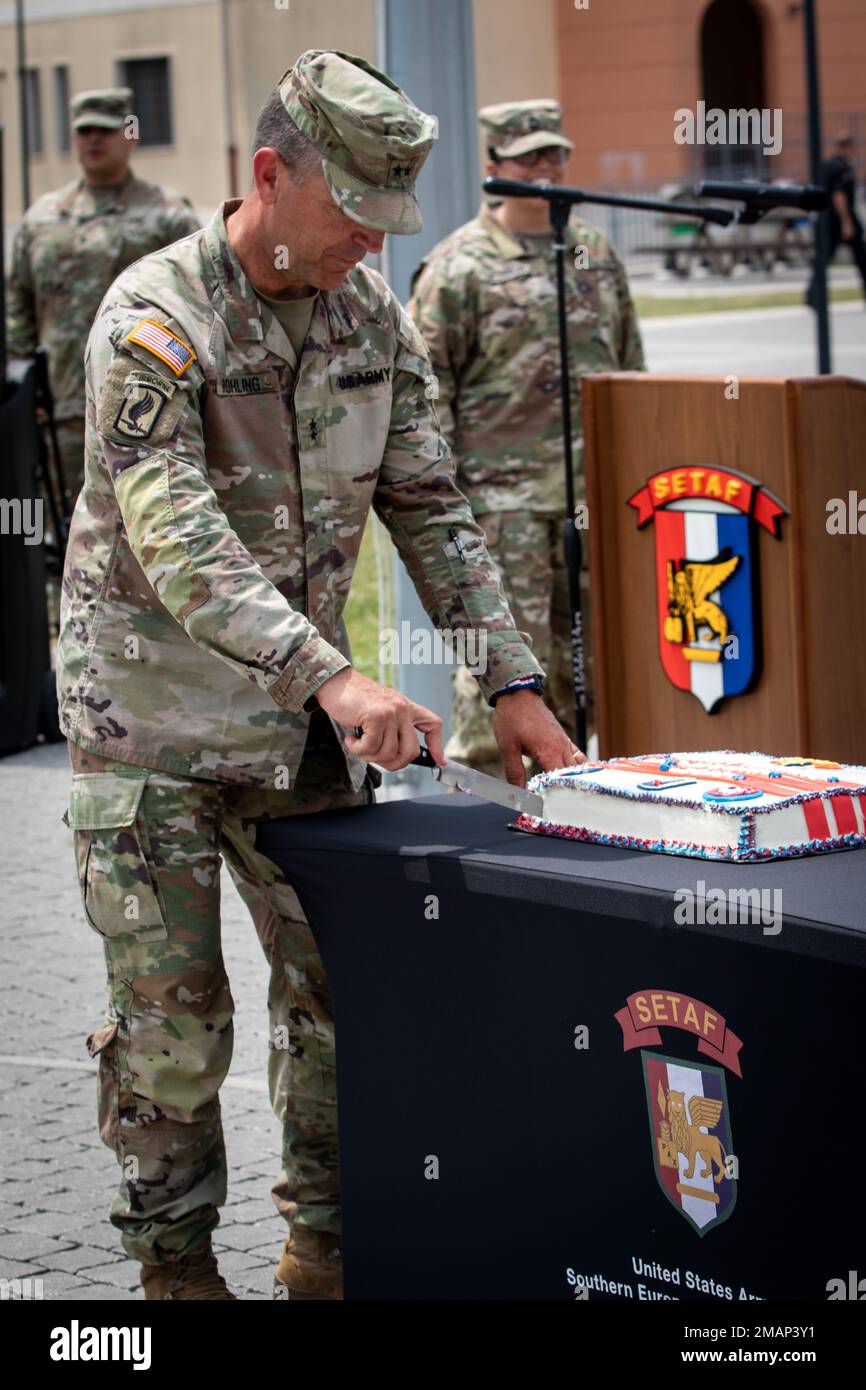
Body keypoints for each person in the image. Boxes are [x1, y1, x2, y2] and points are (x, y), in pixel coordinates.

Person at [58, 51, 582, 1301]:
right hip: (154, 733)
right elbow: (174, 533)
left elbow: (435, 513)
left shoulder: (369, 317)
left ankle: (326, 1256)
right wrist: (332, 676)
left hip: (298, 740)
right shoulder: (152, 316)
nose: (371, 244)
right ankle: (175, 1278)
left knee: (345, 1012)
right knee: (174, 1040)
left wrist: (509, 680)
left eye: (388, 222)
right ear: (265, 177)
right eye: (351, 216)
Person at [411, 100, 645, 776]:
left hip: (593, 503)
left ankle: (587, 813)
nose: (547, 169)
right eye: (529, 158)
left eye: (555, 154)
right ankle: (494, 826)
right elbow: (428, 400)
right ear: (494, 168)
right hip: (501, 513)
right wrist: (451, 510)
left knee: (593, 675)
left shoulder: (594, 253)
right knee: (508, 680)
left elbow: (630, 369)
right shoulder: (458, 268)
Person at [6, 87, 200, 505]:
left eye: (107, 131)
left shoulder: (166, 216)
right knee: (42, 525)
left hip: (140, 407)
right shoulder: (42, 218)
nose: (94, 140)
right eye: (85, 131)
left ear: (130, 135)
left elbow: (197, 305)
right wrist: (21, 387)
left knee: (137, 517)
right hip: (56, 409)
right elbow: (17, 302)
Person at [806, 131, 866, 308]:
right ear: (846, 147)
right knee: (862, 258)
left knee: (823, 259)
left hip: (827, 220)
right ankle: (812, 296)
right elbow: (839, 196)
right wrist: (846, 222)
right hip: (840, 219)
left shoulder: (827, 165)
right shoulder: (841, 168)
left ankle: (812, 296)